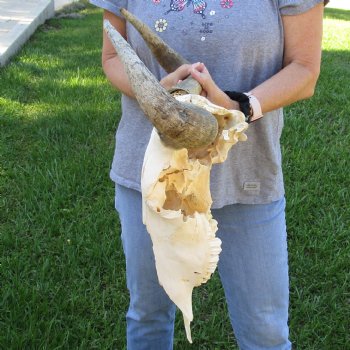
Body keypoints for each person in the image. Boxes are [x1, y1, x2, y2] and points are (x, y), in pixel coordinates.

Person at [90, 0, 325, 349]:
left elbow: (304, 69)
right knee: (147, 317)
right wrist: (157, 91)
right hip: (153, 178)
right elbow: (113, 58)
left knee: (265, 333)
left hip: (247, 177)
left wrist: (239, 107)